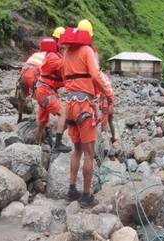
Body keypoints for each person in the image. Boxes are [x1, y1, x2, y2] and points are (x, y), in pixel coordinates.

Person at [60, 22, 114, 207]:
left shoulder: (66, 53)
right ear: (89, 35)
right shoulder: (87, 51)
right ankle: (86, 195)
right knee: (89, 154)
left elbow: (64, 77)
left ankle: (71, 189)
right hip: (84, 106)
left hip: (70, 106)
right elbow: (95, 74)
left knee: (77, 150)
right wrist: (109, 93)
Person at [17, 27, 65, 123]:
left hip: (24, 71)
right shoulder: (52, 55)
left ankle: (19, 116)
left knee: (22, 96)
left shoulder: (38, 53)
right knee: (43, 97)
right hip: (34, 73)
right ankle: (44, 123)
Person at [33, 37, 71, 153]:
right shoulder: (53, 57)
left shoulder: (51, 56)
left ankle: (36, 144)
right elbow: (66, 66)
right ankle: (58, 143)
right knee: (63, 113)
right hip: (45, 91)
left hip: (43, 90)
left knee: (42, 122)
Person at [99, 73, 116, 143]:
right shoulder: (107, 80)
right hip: (111, 103)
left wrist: (100, 103)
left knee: (103, 123)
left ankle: (103, 142)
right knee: (110, 121)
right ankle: (113, 138)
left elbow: (101, 94)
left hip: (105, 104)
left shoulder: (100, 79)